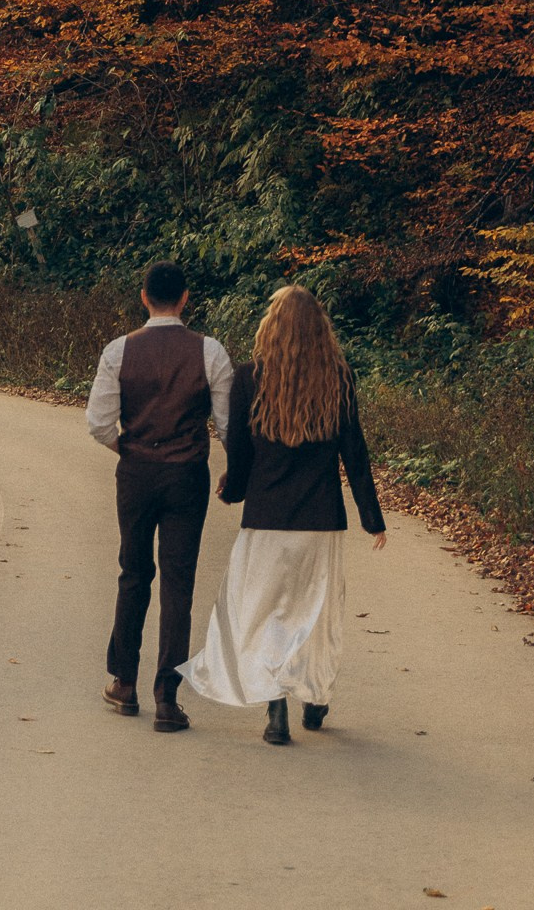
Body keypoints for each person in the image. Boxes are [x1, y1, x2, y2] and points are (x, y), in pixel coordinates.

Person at [184, 281, 386, 748]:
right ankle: (314, 699)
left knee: (266, 611)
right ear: (320, 328)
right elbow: (354, 451)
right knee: (315, 613)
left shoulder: (250, 377)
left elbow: (239, 450)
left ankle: (275, 706)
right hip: (321, 520)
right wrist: (371, 516)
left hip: (266, 518)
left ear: (270, 327)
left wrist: (233, 491)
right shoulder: (338, 377)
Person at [86, 260, 234, 734]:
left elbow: (99, 423)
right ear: (186, 298)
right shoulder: (210, 352)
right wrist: (236, 470)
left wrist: (129, 449)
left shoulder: (118, 351)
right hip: (186, 476)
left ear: (144, 298)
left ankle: (124, 682)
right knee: (178, 583)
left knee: (133, 572)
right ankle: (167, 697)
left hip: (136, 474)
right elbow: (230, 426)